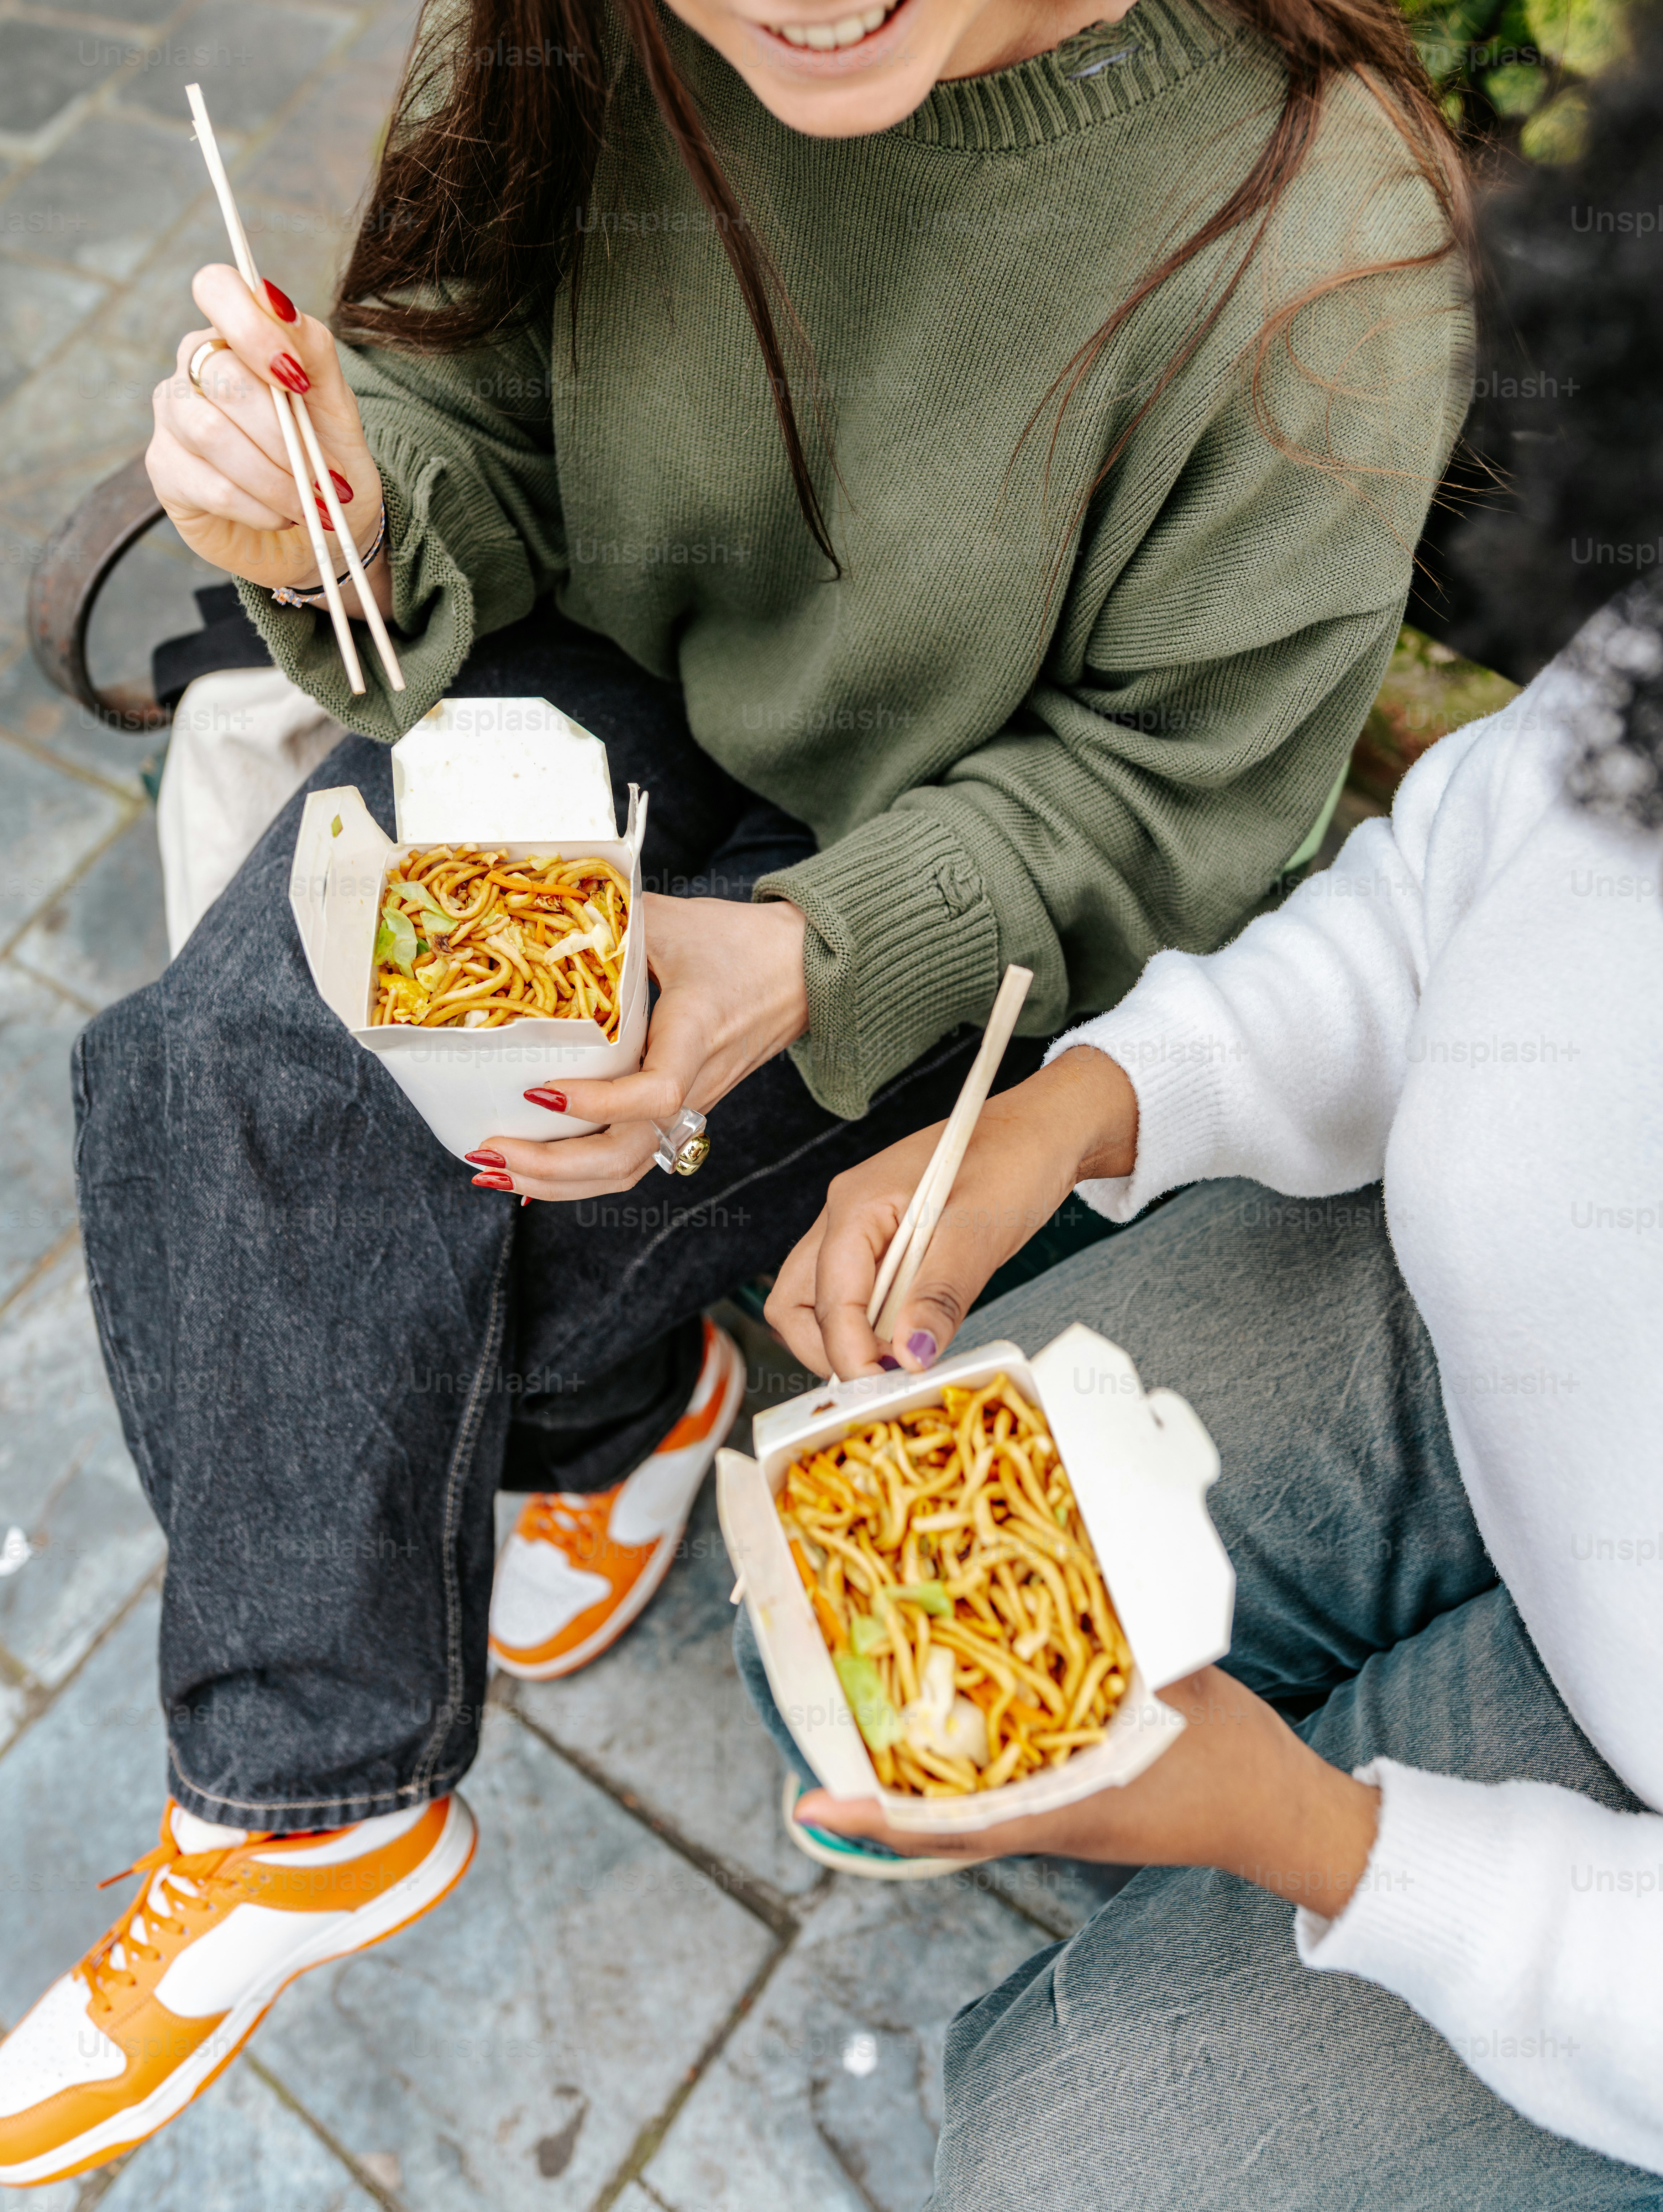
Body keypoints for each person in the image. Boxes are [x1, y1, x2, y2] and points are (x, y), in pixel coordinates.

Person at [0, 0, 1471, 2182]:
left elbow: (1180, 801)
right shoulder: (597, 29)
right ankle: (309, 1803)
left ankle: (621, 1418)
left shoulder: (1321, 234)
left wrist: (806, 957)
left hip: (962, 882)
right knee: (237, 1080)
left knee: (554, 1225)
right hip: (607, 695)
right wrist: (334, 505)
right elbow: (476, 412)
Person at [747, 16, 1663, 2200]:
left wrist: (1325, 1838)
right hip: (1506, 1345)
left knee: (1063, 2156)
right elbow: (1459, 889)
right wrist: (1086, 1102)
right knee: (891, 1616)